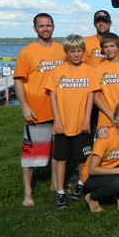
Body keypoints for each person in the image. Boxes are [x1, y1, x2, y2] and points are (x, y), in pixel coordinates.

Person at [14, 13, 66, 207]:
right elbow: (18, 81)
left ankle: (55, 183)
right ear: (35, 28)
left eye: (48, 25)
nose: (45, 29)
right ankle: (28, 193)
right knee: (31, 155)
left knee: (57, 152)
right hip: (37, 110)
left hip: (59, 111)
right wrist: (24, 106)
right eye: (41, 26)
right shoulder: (27, 52)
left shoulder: (62, 50)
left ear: (54, 27)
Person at [45, 34, 99, 210]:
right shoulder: (57, 71)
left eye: (79, 51)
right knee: (61, 159)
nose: (76, 54)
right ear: (66, 52)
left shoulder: (89, 71)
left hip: (81, 124)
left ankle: (81, 184)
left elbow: (91, 97)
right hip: (62, 124)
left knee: (83, 158)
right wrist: (57, 120)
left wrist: (86, 120)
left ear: (84, 52)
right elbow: (53, 97)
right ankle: (60, 193)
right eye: (72, 51)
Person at [82, 100, 119, 212]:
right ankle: (92, 197)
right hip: (91, 177)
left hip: (112, 171)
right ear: (114, 119)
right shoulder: (105, 137)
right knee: (118, 182)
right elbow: (92, 170)